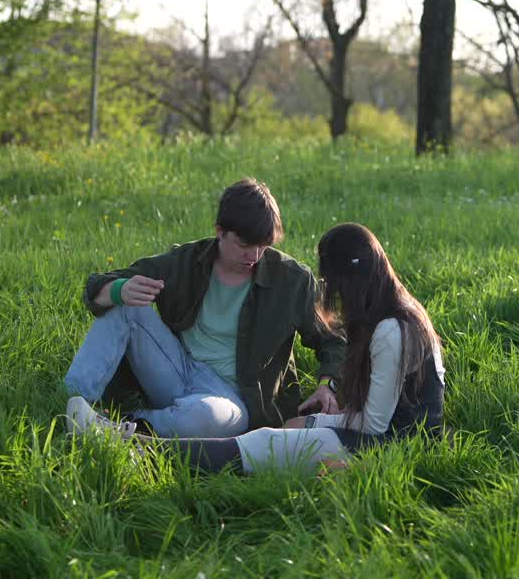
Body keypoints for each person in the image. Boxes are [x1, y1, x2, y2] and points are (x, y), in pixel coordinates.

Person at [64, 222, 446, 474]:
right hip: (385, 440)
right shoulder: (400, 313)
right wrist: (310, 420)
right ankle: (96, 417)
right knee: (280, 434)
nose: (334, 296)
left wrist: (322, 414)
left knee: (261, 443)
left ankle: (130, 445)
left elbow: (376, 426)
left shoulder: (391, 330)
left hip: (388, 452)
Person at [62, 178, 344, 438]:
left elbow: (334, 338)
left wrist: (327, 384)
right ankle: (71, 405)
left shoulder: (293, 279)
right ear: (220, 231)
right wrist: (118, 290)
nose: (254, 256)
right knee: (124, 302)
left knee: (205, 419)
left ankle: (120, 424)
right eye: (244, 245)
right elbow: (98, 284)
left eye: (263, 246)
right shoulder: (187, 260)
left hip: (233, 400)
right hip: (176, 369)